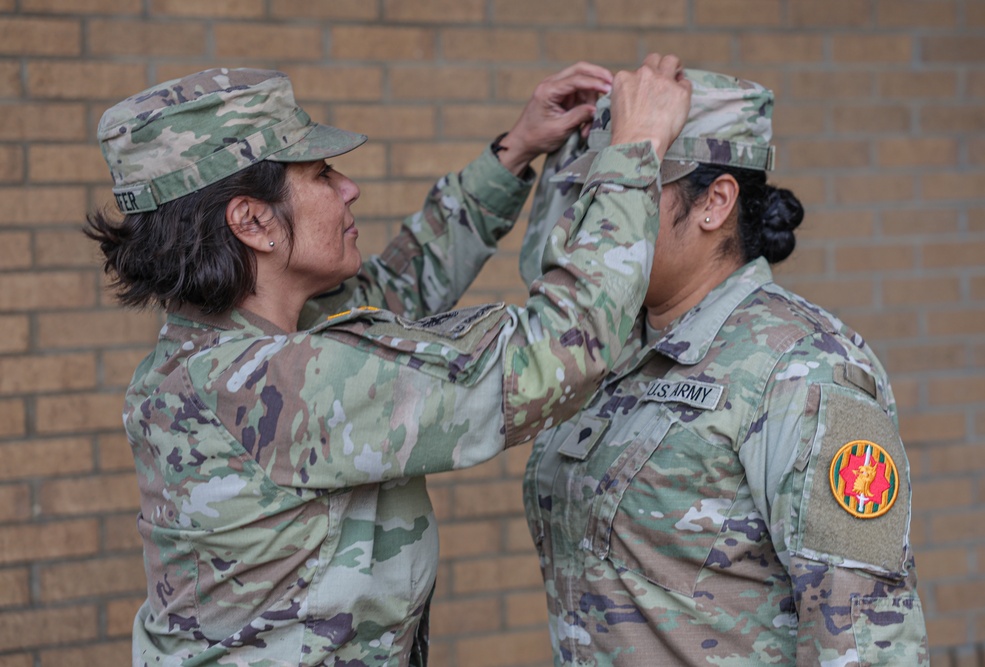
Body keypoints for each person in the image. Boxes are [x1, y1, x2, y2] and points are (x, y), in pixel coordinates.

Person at [84, 57, 692, 666]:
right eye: (322, 174)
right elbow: (557, 350)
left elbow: (391, 290)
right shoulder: (272, 383)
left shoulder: (213, 350)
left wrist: (513, 151)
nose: (349, 187)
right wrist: (634, 150)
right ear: (252, 220)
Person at [520, 70, 929, 665]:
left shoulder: (804, 369)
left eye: (634, 184)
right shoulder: (607, 347)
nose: (599, 212)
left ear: (715, 203)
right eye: (598, 187)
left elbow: (864, 641)